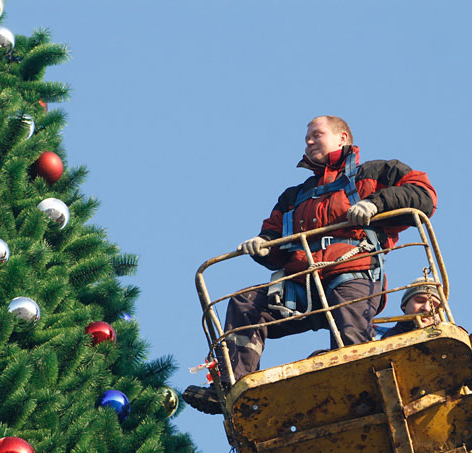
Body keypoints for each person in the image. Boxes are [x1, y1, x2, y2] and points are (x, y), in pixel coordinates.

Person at [184, 116, 437, 414]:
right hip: (302, 282)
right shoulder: (295, 196)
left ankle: (361, 396)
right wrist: (262, 246)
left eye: (316, 135)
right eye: (306, 138)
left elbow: (423, 195)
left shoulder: (376, 173)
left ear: (342, 138)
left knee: (349, 331)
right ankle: (230, 385)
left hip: (352, 271)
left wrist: (376, 204)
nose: (308, 142)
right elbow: (275, 239)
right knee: (246, 304)